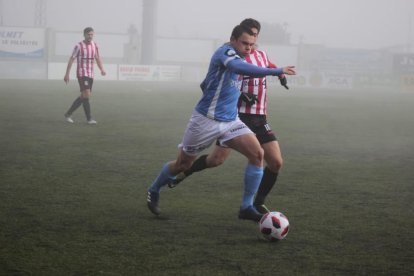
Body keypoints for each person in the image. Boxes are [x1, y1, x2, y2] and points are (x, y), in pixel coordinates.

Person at [146, 24, 296, 222]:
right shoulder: (225, 52)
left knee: (257, 154)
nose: (248, 48)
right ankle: (154, 189)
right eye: (244, 43)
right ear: (233, 39)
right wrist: (275, 71)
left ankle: (247, 207)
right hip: (205, 120)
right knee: (183, 163)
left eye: (251, 44)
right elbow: (236, 67)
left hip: (231, 120)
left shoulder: (248, 54)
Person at [63, 27, 106, 124]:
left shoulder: (95, 45)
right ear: (84, 35)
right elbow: (71, 59)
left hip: (91, 74)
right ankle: (89, 119)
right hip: (82, 73)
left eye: (92, 34)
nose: (90, 36)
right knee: (86, 94)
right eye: (88, 34)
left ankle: (68, 114)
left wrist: (102, 69)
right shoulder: (78, 46)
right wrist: (67, 74)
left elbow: (98, 58)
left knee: (84, 96)